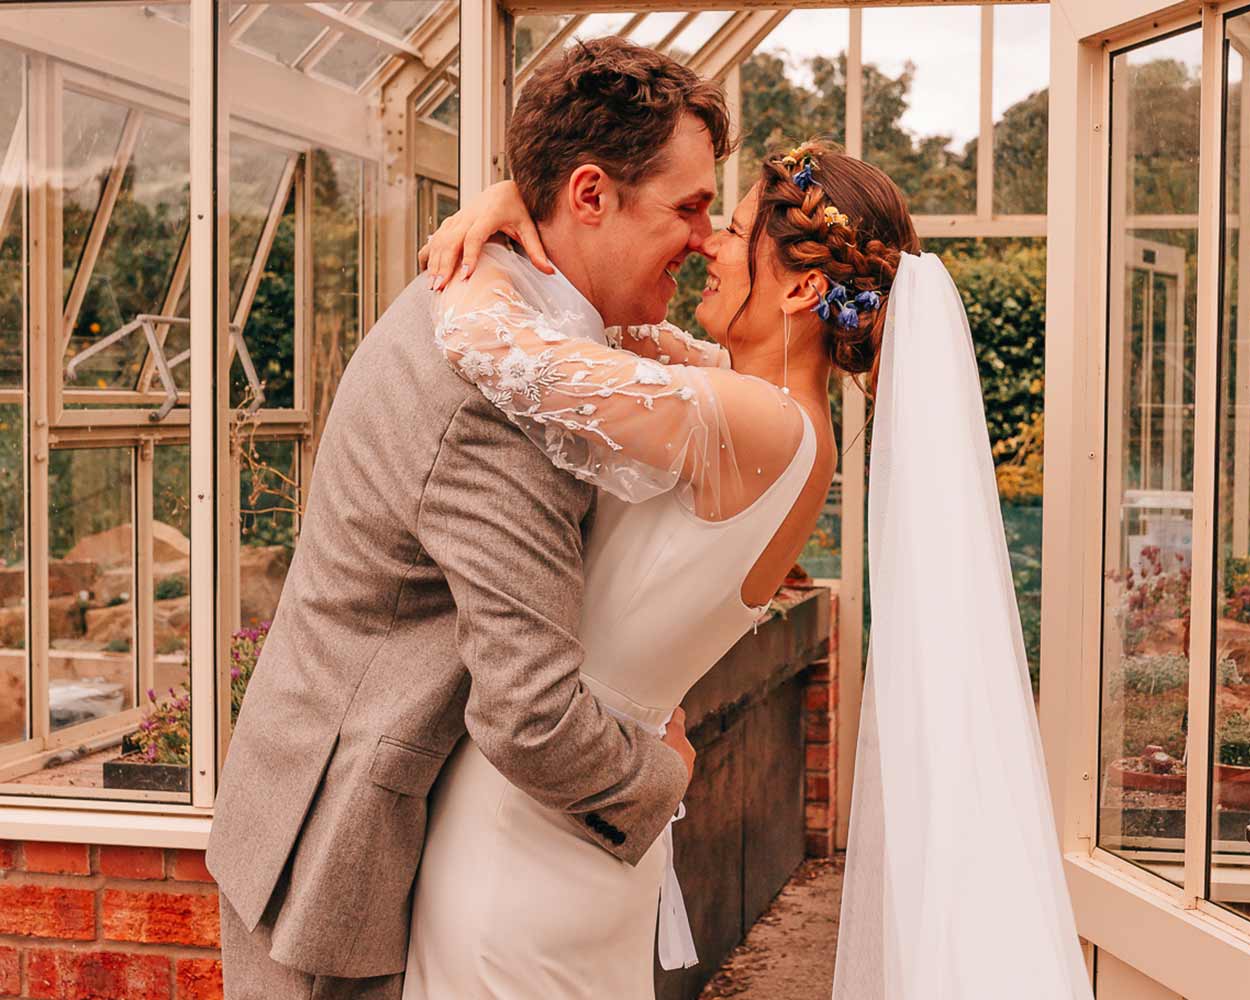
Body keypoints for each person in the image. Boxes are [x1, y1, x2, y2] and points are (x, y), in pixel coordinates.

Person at [411, 68, 1092, 1000]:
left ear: (804, 285)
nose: (705, 249)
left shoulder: (752, 424)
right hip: (596, 824)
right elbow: (598, 322)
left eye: (727, 233)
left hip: (529, 828)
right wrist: (528, 199)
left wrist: (485, 237)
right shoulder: (776, 417)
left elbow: (498, 349)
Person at [204, 38, 728, 1000]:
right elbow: (528, 713)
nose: (706, 237)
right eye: (689, 208)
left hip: (370, 805)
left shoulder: (522, 308)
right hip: (345, 847)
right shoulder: (503, 392)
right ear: (589, 195)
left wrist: (500, 199)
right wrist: (665, 777)